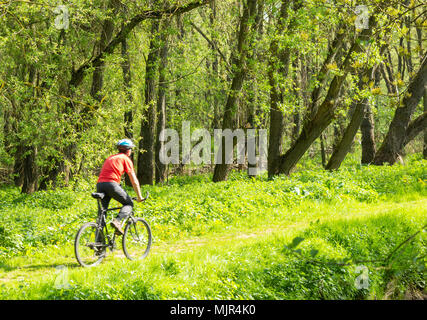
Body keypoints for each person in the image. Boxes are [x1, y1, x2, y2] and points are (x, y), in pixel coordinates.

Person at [96, 139, 143, 235]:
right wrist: (139, 196)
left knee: (102, 214)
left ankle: (99, 246)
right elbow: (134, 181)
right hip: (111, 184)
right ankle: (117, 222)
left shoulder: (110, 158)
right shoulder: (125, 159)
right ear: (129, 150)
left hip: (100, 185)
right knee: (129, 204)